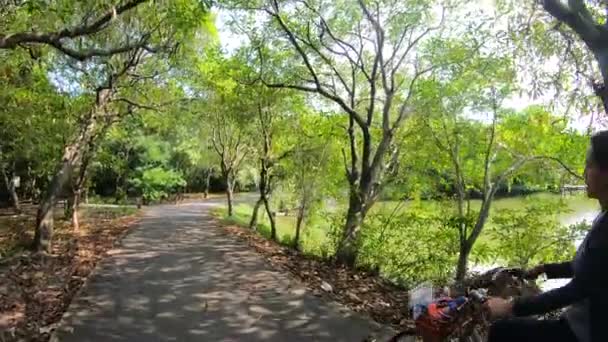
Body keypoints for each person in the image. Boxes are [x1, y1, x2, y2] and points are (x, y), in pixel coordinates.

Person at [486, 130, 608, 342]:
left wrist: (510, 306)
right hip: (583, 322)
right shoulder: (603, 217)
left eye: (589, 164)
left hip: (589, 332)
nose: (584, 172)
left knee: (501, 331)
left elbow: (576, 290)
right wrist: (547, 269)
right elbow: (592, 270)